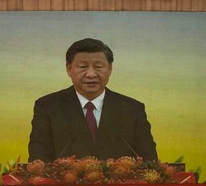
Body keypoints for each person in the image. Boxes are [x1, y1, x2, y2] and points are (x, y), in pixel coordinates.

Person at [29, 38, 158, 164]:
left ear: (110, 68)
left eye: (98, 67)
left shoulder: (132, 109)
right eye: (83, 67)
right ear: (69, 69)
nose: (91, 74)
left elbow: (150, 162)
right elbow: (38, 161)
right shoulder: (48, 107)